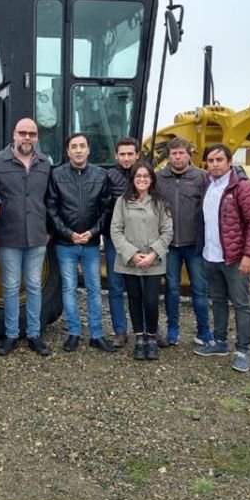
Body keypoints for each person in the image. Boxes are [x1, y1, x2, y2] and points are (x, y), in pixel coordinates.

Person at [0, 118, 52, 357]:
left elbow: (49, 200)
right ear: (14, 135)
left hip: (36, 236)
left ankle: (34, 334)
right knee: (11, 287)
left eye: (32, 134)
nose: (27, 137)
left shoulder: (45, 164)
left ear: (36, 137)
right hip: (8, 235)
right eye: (22, 133)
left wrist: (49, 229)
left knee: (34, 286)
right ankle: (11, 335)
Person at [194, 144, 250, 372]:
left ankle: (243, 350)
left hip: (235, 258)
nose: (214, 164)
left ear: (229, 162)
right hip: (211, 255)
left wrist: (249, 255)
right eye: (210, 160)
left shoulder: (243, 188)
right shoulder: (207, 185)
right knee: (218, 300)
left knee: (242, 304)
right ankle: (220, 342)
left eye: (219, 160)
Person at [46, 133, 114, 353]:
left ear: (88, 150)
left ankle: (96, 334)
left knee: (94, 288)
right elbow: (52, 209)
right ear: (67, 151)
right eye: (73, 146)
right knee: (69, 288)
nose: (78, 150)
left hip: (91, 244)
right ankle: (74, 333)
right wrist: (69, 234)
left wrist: (92, 232)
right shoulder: (56, 175)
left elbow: (106, 209)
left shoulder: (101, 175)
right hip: (65, 244)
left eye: (82, 146)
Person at [110, 162, 173, 360]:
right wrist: (132, 254)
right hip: (130, 261)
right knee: (134, 299)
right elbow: (116, 230)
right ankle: (139, 338)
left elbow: (167, 231)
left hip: (153, 262)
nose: (142, 179)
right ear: (133, 179)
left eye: (146, 176)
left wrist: (154, 253)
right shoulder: (122, 201)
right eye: (138, 176)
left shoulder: (160, 202)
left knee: (151, 300)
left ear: (152, 179)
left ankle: (152, 337)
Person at [155, 137, 214, 346]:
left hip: (194, 244)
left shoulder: (202, 178)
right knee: (171, 288)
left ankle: (204, 331)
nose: (177, 157)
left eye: (181, 153)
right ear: (168, 156)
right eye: (173, 153)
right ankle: (173, 329)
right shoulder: (159, 178)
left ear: (189, 154)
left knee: (200, 288)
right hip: (170, 245)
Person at [104, 137, 138, 347]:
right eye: (122, 154)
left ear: (137, 155)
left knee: (142, 287)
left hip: (141, 240)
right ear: (116, 156)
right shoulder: (108, 176)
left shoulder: (145, 175)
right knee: (115, 287)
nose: (126, 158)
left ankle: (146, 330)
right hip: (114, 240)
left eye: (130, 154)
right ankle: (120, 331)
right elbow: (103, 207)